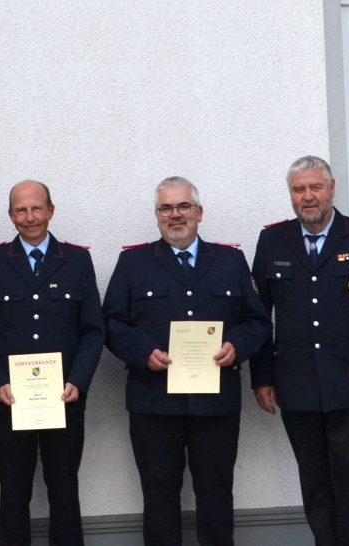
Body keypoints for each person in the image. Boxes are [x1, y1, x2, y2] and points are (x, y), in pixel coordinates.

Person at [102, 176, 271, 546]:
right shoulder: (133, 262)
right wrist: (143, 351)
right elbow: (111, 323)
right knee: (159, 499)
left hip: (216, 403)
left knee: (216, 496)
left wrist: (236, 346)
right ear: (157, 215)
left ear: (199, 212)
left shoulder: (229, 260)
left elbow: (257, 321)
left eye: (183, 207)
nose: (175, 215)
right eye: (166, 208)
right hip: (154, 403)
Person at [251, 155, 349, 546]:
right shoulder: (272, 240)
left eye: (315, 187)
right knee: (315, 484)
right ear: (291, 195)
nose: (308, 197)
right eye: (299, 189)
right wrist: (262, 378)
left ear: (331, 189)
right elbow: (256, 315)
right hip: (296, 383)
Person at [0, 180, 105, 545]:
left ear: (51, 210)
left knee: (64, 491)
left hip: (64, 398)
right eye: (20, 210)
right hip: (10, 400)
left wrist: (78, 381)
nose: (29, 217)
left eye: (36, 208)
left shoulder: (76, 260)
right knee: (13, 493)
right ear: (11, 215)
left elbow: (93, 330)